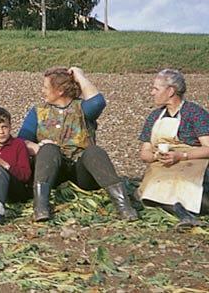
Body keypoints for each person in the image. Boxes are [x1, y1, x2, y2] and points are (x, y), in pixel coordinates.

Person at [18, 67, 138, 222]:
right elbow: (21, 140)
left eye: (46, 87)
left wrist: (80, 76)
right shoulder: (38, 112)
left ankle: (124, 207)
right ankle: (40, 207)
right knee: (48, 149)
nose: (42, 91)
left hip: (80, 173)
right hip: (53, 173)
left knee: (94, 151)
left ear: (60, 91)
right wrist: (37, 147)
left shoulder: (83, 109)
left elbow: (98, 101)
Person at [137, 69, 209, 229]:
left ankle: (185, 211)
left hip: (192, 163)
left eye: (156, 88)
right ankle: (183, 213)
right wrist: (157, 156)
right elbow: (144, 153)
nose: (151, 93)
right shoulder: (154, 117)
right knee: (150, 192)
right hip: (162, 165)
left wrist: (181, 155)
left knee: (187, 187)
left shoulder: (194, 113)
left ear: (170, 91)